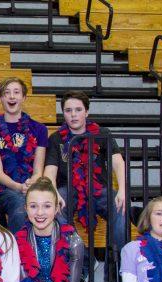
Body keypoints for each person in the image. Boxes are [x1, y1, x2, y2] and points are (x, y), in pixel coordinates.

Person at [45, 90, 128, 253]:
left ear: (87, 111)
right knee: (53, 209)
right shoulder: (56, 139)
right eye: (68, 111)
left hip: (99, 190)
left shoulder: (102, 134)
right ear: (63, 114)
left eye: (78, 110)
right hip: (68, 190)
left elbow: (118, 162)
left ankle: (115, 272)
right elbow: (49, 172)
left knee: (121, 208)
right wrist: (53, 193)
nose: (73, 115)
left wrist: (123, 191)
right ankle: (82, 262)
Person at [0, 78, 48, 232]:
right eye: (7, 93)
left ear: (24, 97)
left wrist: (30, 185)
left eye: (16, 92)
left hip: (33, 185)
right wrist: (19, 187)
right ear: (1, 98)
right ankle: (18, 252)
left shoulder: (39, 129)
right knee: (19, 207)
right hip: (6, 189)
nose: (12, 97)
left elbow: (38, 170)